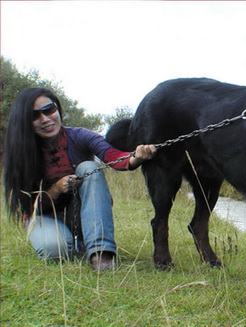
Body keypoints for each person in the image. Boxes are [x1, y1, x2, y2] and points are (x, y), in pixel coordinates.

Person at [3, 88, 157, 271]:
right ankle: (73, 241)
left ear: (57, 109)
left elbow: (112, 156)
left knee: (89, 167)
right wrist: (56, 189)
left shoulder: (80, 135)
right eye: (35, 116)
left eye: (49, 110)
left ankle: (101, 254)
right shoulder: (19, 154)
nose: (45, 119)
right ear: (25, 121)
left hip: (82, 212)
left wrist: (136, 156)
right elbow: (27, 206)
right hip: (45, 217)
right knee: (55, 250)